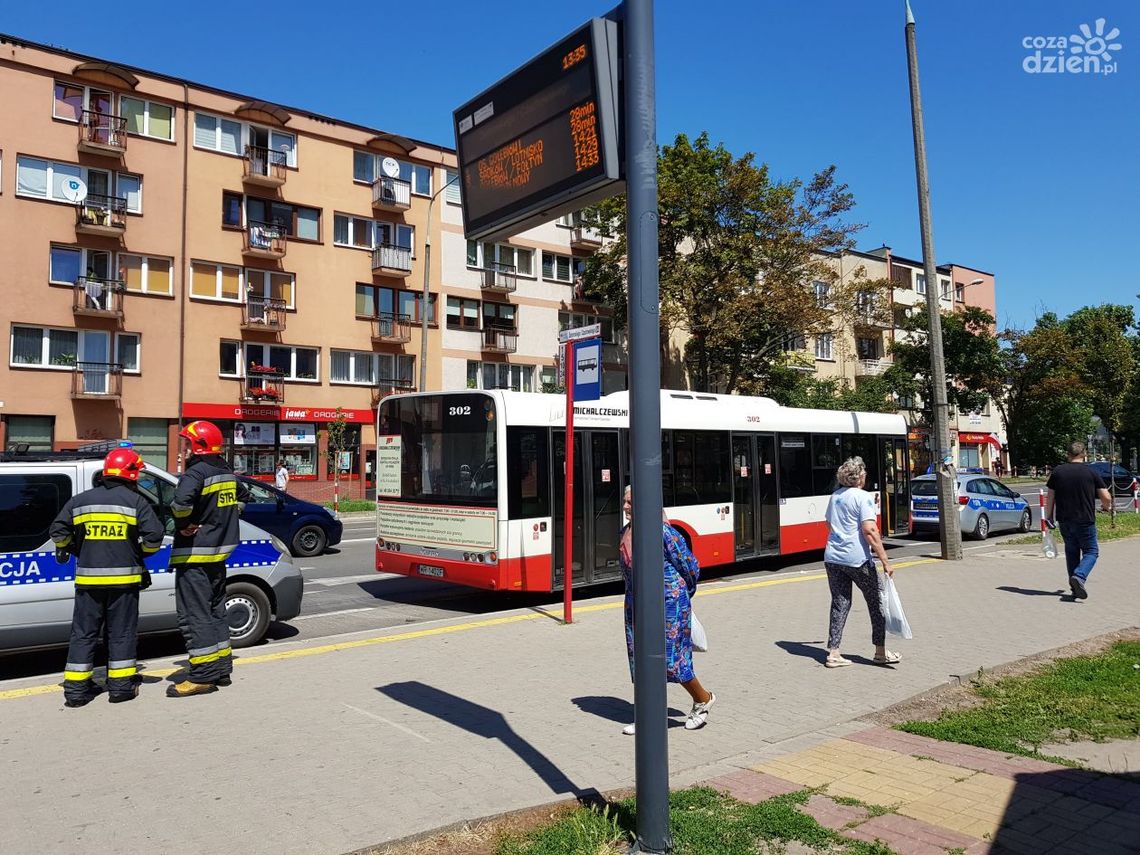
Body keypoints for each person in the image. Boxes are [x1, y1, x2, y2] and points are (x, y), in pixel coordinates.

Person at [49, 448, 163, 707]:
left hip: (89, 581)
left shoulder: (81, 500)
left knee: (83, 633)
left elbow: (58, 532)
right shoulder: (136, 502)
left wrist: (77, 548)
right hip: (124, 582)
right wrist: (137, 553)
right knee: (121, 633)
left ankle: (76, 692)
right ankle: (120, 688)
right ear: (131, 473)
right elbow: (154, 538)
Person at [619, 485, 716, 734]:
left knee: (673, 660)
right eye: (625, 501)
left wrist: (681, 593)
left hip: (669, 604)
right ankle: (648, 715)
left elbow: (690, 566)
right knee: (639, 659)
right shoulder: (625, 533)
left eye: (630, 502)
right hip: (636, 605)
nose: (625, 507)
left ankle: (703, 699)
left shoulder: (664, 532)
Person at [167, 420, 249, 698]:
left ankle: (202, 676)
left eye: (188, 443)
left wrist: (184, 524)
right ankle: (221, 667)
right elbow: (243, 497)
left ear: (198, 446)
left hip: (194, 556)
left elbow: (179, 505)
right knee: (216, 611)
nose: (185, 449)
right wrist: (226, 517)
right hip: (218, 555)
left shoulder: (196, 473)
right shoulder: (225, 472)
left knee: (195, 615)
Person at [822, 456, 899, 668]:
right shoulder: (863, 497)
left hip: (833, 558)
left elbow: (828, 523)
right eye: (864, 473)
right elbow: (870, 531)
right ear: (860, 476)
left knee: (840, 604)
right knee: (876, 601)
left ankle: (834, 653)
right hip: (858, 560)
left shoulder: (835, 496)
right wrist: (885, 560)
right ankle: (880, 651)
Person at [1045, 441, 1112, 600]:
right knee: (1091, 551)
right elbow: (1106, 497)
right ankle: (1079, 577)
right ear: (1084, 454)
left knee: (1072, 551)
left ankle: (1075, 588)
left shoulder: (1058, 472)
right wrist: (1107, 507)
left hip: (1064, 520)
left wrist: (1049, 516)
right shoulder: (1091, 473)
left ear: (1068, 455)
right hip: (1085, 519)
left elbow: (1050, 497)